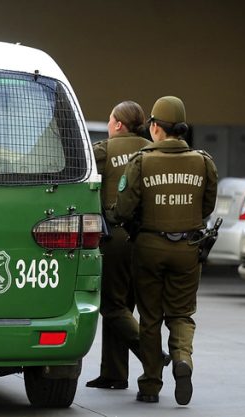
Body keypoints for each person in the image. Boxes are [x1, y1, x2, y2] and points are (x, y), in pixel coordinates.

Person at [113, 96, 217, 405]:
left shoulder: (142, 161)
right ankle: (183, 357)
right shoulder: (203, 161)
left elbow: (124, 208)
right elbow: (207, 206)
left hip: (149, 247)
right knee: (182, 313)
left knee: (150, 318)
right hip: (188, 247)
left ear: (155, 127)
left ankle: (150, 384)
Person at [86, 101, 152, 390]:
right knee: (126, 306)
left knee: (112, 304)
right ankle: (113, 373)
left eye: (111, 119)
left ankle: (151, 356)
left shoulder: (105, 150)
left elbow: (80, 171)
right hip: (147, 240)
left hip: (116, 237)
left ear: (118, 125)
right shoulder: (153, 150)